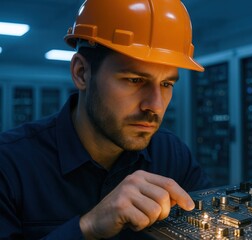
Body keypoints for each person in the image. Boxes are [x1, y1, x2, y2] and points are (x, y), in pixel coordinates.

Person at [0, 0, 211, 239]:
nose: (155, 105)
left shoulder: (172, 154)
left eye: (166, 84)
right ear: (82, 73)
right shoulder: (9, 164)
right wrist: (88, 227)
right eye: (135, 80)